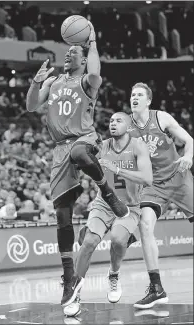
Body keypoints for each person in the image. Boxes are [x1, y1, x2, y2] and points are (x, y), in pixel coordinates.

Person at [26, 22, 129, 305]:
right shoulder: (53, 82)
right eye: (68, 51)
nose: (68, 54)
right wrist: (36, 83)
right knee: (62, 216)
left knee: (80, 154)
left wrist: (92, 40)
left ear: (83, 60)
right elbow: (31, 106)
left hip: (83, 138)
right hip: (59, 151)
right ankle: (69, 278)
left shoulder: (87, 82)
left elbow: (96, 71)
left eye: (75, 51)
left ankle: (107, 191)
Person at [62, 112, 153, 316]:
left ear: (129, 126)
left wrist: (117, 169)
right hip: (103, 204)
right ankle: (74, 294)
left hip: (130, 206)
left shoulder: (138, 146)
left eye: (118, 120)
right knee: (89, 242)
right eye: (111, 121)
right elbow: (79, 160)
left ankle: (113, 275)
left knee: (119, 241)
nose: (113, 123)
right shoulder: (101, 146)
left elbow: (148, 179)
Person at [128, 82, 193, 309]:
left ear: (148, 101)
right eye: (132, 95)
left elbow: (189, 140)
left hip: (179, 178)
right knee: (145, 226)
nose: (134, 98)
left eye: (139, 95)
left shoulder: (161, 118)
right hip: (153, 185)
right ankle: (157, 289)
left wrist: (189, 157)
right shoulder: (125, 127)